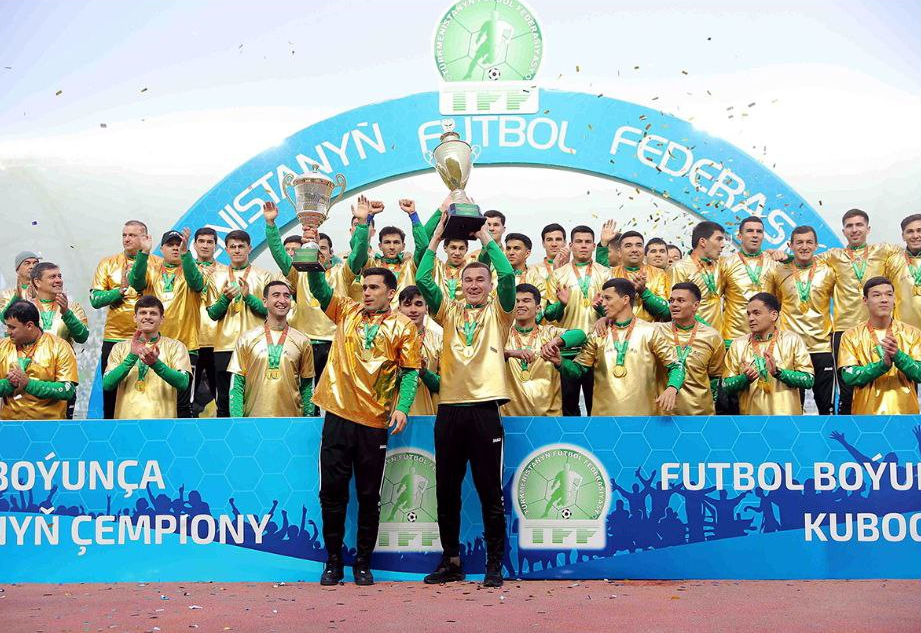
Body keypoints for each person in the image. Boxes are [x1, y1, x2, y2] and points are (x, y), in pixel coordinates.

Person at [309, 246, 420, 587]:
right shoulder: (346, 310)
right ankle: (332, 562)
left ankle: (362, 563)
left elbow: (410, 372)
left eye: (374, 288)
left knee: (369, 496)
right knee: (332, 493)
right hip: (338, 415)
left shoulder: (404, 327)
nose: (367, 293)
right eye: (364, 287)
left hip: (374, 422)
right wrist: (312, 260)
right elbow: (319, 289)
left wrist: (402, 406)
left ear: (391, 292)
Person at [416, 213, 514, 588]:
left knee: (490, 492)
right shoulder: (448, 310)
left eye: (480, 280)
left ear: (489, 284)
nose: (474, 285)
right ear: (460, 284)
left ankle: (494, 564)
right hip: (449, 410)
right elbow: (424, 279)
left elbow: (509, 276)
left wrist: (486, 238)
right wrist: (436, 237)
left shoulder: (500, 312)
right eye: (468, 280)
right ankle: (451, 561)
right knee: (447, 491)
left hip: (485, 409)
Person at [263, 197, 371, 387]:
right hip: (304, 341)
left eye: (323, 248)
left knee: (333, 392)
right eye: (314, 247)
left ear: (331, 253)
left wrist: (362, 223)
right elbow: (279, 254)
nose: (319, 251)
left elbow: (360, 254)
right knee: (305, 394)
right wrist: (271, 224)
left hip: (335, 342)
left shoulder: (342, 273)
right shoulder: (299, 274)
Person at [544, 278, 684, 416]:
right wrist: (560, 362)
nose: (603, 303)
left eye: (608, 298)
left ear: (625, 299)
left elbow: (676, 366)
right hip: (604, 420)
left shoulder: (650, 332)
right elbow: (579, 370)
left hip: (643, 419)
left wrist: (672, 388)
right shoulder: (598, 334)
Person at [818, 209, 900, 414]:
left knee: (882, 383)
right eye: (849, 226)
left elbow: (910, 252)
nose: (854, 230)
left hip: (879, 330)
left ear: (868, 229)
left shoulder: (883, 251)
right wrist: (781, 256)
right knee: (847, 388)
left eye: (859, 225)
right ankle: (847, 428)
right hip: (844, 331)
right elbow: (804, 259)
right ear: (844, 231)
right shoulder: (833, 255)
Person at [130, 228, 204, 418]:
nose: (175, 248)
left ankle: (182, 437)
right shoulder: (150, 269)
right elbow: (136, 282)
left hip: (186, 347)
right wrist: (144, 253)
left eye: (179, 245)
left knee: (183, 404)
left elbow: (197, 284)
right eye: (170, 245)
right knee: (154, 398)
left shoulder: (193, 269)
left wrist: (186, 254)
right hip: (152, 347)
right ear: (161, 248)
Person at [91, 220, 158, 419]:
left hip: (149, 339)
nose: (126, 239)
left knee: (149, 393)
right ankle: (110, 433)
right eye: (124, 235)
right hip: (115, 338)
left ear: (145, 238)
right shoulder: (107, 263)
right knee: (111, 395)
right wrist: (119, 292)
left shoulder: (157, 264)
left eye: (132, 235)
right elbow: (95, 299)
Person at [205, 229, 275, 417]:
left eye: (241, 246)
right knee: (224, 402)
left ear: (249, 248)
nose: (237, 250)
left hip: (256, 346)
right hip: (224, 347)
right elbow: (212, 314)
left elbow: (270, 311)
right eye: (233, 246)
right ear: (226, 249)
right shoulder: (216, 277)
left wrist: (248, 297)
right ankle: (226, 435)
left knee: (255, 398)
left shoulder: (264, 276)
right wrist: (225, 299)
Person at [544, 225, 611, 415]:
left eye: (588, 242)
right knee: (568, 405)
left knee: (596, 404)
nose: (583, 245)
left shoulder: (605, 273)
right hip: (567, 350)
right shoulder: (557, 274)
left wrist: (601, 309)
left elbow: (614, 311)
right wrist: (561, 305)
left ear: (594, 246)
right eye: (579, 242)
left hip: (597, 347)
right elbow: (548, 314)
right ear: (571, 245)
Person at [770, 226, 837, 415]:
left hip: (822, 347)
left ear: (816, 245)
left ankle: (829, 436)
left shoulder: (829, 271)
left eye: (809, 242)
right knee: (792, 408)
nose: (804, 247)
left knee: (826, 408)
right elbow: (775, 306)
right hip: (791, 348)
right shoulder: (778, 272)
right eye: (799, 242)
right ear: (790, 245)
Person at [227, 281, 314, 417]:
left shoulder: (303, 341)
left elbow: (308, 387)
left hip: (291, 423)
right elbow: (237, 385)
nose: (282, 300)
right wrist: (238, 422)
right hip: (254, 422)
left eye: (286, 296)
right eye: (276, 295)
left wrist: (307, 420)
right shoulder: (247, 339)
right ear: (265, 302)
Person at [838, 276, 921, 415]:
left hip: (905, 417)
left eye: (889, 294)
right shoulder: (850, 335)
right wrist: (882, 366)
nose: (884, 299)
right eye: (877, 295)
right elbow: (849, 376)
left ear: (894, 299)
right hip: (865, 417)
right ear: (865, 300)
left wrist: (898, 356)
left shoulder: (912, 333)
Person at [722, 293, 814, 415]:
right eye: (748, 314)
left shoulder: (792, 340)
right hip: (751, 421)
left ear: (773, 315)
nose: (750, 318)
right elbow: (725, 385)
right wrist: (744, 378)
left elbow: (808, 379)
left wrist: (778, 373)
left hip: (787, 420)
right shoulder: (738, 344)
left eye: (756, 313)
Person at [102, 295, 192, 419]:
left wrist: (156, 364)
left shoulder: (176, 346)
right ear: (135, 317)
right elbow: (107, 384)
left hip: (163, 423)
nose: (148, 317)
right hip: (126, 424)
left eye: (153, 313)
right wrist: (131, 357)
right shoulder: (119, 348)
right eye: (143, 313)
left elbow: (183, 383)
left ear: (162, 319)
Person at [28, 262, 89, 419]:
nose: (58, 280)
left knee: (61, 425)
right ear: (37, 282)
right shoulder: (25, 309)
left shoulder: (73, 307)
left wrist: (66, 313)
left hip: (63, 376)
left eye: (59, 276)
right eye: (52, 277)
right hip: (32, 375)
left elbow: (82, 337)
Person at [655, 282, 725, 416]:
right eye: (671, 300)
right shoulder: (656, 331)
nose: (674, 305)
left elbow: (715, 377)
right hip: (664, 414)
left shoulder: (712, 336)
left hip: (700, 414)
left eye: (681, 300)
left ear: (695, 305)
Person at [502, 283, 572, 416]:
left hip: (548, 418)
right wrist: (510, 353)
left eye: (526, 301)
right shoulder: (502, 334)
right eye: (516, 301)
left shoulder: (549, 333)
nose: (520, 305)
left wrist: (554, 342)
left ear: (538, 308)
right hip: (509, 418)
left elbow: (580, 335)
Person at [0, 301, 78, 420]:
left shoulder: (60, 347)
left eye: (12, 327)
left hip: (49, 426)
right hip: (9, 426)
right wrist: (8, 384)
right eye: (7, 326)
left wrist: (29, 384)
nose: (8, 331)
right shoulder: (2, 347)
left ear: (29, 325)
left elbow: (67, 390)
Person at [191, 227, 226, 416]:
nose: (205, 245)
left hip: (217, 342)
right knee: (187, 398)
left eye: (210, 242)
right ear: (194, 244)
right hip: (190, 340)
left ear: (216, 245)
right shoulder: (186, 270)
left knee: (221, 398)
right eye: (201, 241)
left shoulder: (225, 272)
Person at [600, 230, 670, 322]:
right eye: (628, 246)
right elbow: (604, 307)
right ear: (619, 252)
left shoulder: (659, 274)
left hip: (650, 329)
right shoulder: (610, 274)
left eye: (639, 245)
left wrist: (644, 292)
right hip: (618, 329)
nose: (634, 250)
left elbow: (667, 312)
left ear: (644, 250)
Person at [669, 221, 726, 332]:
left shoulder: (720, 265)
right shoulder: (680, 267)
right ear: (703, 242)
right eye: (718, 239)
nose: (722, 245)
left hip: (717, 335)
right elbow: (674, 306)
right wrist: (703, 326)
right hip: (691, 334)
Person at [397, 285, 443, 415]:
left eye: (418, 304)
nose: (413, 310)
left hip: (429, 414)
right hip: (393, 412)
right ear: (399, 309)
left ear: (426, 308)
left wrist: (424, 373)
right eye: (407, 304)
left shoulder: (439, 340)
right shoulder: (389, 339)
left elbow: (447, 385)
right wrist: (402, 370)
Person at [885, 214, 921, 330]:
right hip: (902, 332)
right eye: (910, 231)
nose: (915, 235)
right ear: (903, 236)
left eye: (919, 230)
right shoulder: (893, 261)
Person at [0, 251, 41, 320]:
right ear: (17, 270)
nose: (32, 266)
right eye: (27, 263)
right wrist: (16, 297)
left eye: (35, 263)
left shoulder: (46, 290)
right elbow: (4, 319)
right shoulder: (7, 294)